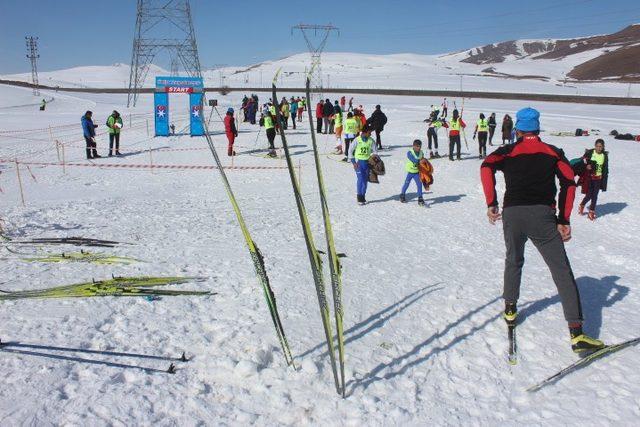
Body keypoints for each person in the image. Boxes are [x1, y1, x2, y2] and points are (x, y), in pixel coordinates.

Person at [481, 107, 604, 353]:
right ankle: (577, 333)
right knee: (560, 270)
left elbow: (486, 166)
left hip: (513, 214)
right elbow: (569, 183)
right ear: (537, 129)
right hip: (542, 217)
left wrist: (491, 202)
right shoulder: (553, 152)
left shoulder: (508, 151)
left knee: (513, 260)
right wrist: (564, 219)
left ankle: (510, 309)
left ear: (517, 129)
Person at [578, 139, 609, 220]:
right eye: (597, 146)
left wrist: (604, 177)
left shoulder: (604, 156)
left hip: (598, 179)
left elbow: (605, 168)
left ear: (603, 147)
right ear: (595, 146)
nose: (599, 148)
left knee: (595, 195)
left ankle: (591, 212)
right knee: (589, 195)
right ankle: (582, 205)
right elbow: (583, 161)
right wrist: (587, 166)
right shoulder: (590, 153)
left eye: (600, 147)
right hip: (590, 178)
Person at [349, 125, 377, 205]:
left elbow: (375, 152)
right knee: (360, 179)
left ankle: (363, 196)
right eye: (369, 133)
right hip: (358, 163)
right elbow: (350, 151)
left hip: (367, 163)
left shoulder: (371, 141)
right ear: (364, 132)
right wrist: (354, 162)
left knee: (365, 180)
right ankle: (359, 197)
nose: (370, 134)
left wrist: (373, 161)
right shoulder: (357, 140)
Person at [399, 139, 425, 205]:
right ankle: (402, 195)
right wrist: (419, 161)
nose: (418, 148)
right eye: (417, 146)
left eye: (420, 146)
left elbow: (423, 161)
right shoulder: (410, 152)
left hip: (416, 172)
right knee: (406, 184)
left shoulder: (421, 153)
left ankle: (420, 197)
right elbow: (413, 159)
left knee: (419, 184)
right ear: (413, 146)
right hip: (410, 172)